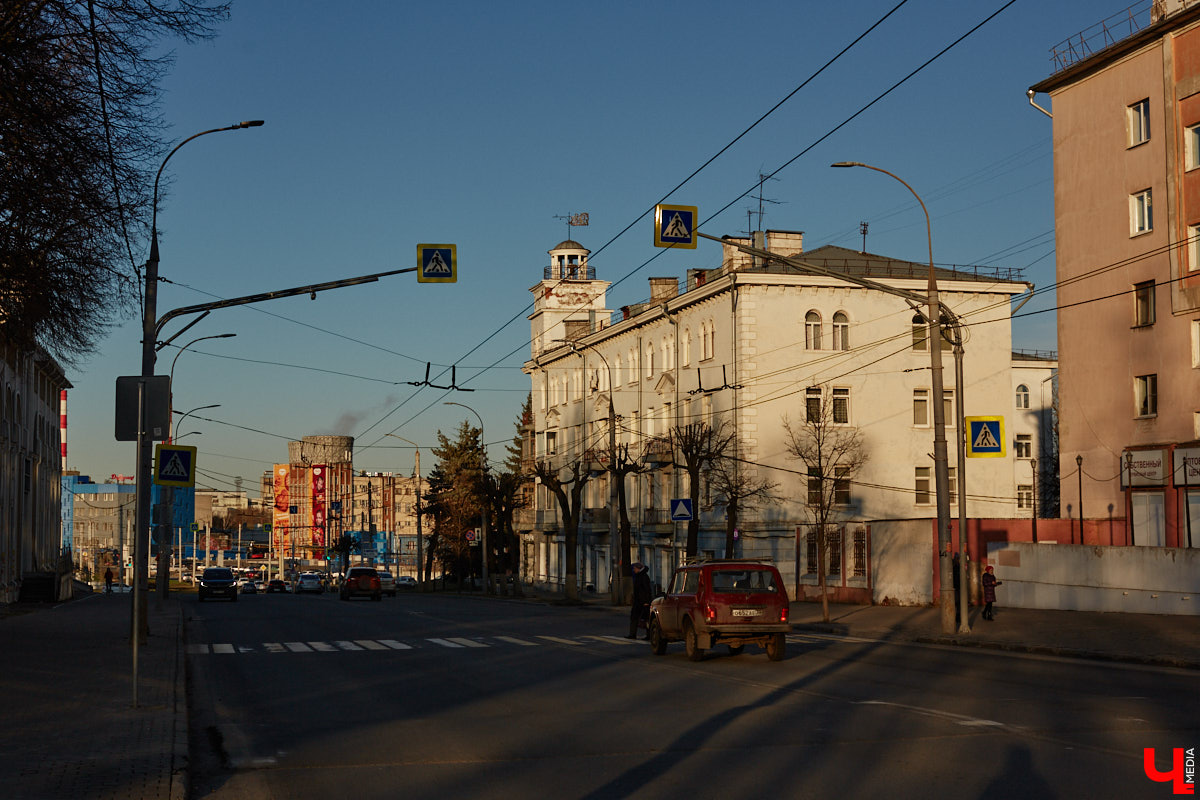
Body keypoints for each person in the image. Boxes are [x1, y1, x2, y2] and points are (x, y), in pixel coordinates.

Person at [627, 562, 652, 639]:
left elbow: (647, 590)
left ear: (638, 569)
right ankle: (632, 634)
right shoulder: (639, 576)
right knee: (635, 617)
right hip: (638, 601)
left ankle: (648, 635)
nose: (634, 570)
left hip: (643, 601)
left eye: (635, 568)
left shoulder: (643, 577)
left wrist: (647, 602)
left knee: (645, 618)